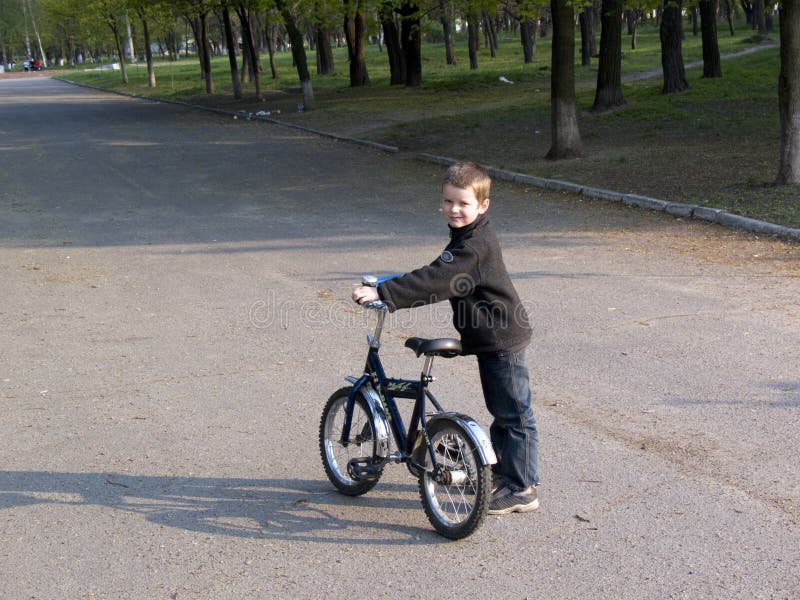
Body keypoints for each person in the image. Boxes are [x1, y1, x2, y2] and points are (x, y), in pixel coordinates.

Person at [352, 161, 540, 515]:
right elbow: (437, 270)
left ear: (483, 206)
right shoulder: (469, 236)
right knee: (503, 411)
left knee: (515, 414)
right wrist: (383, 285)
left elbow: (439, 278)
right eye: (448, 201)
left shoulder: (475, 244)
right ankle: (505, 473)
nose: (454, 209)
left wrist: (386, 294)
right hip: (490, 339)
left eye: (463, 203)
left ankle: (523, 487)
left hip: (502, 337)